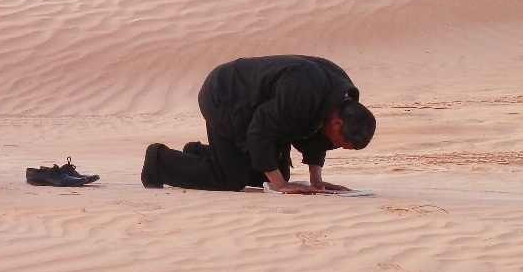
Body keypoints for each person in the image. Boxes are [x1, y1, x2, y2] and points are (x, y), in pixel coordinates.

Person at [141, 55, 375, 193]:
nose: (333, 144)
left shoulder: (340, 94)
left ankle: (197, 154)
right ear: (337, 121)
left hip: (256, 105)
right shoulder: (301, 95)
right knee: (232, 178)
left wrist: (318, 182)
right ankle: (159, 162)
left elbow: (318, 138)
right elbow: (259, 131)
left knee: (272, 174)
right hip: (225, 96)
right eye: (337, 141)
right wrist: (282, 186)